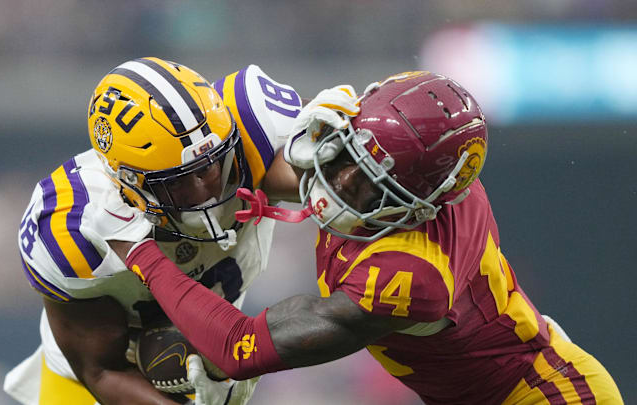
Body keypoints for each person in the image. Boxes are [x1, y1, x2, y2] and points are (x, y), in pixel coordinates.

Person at [107, 71, 624, 404]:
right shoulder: (397, 152)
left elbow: (243, 347)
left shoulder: (413, 273)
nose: (342, 184)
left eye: (373, 187)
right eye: (351, 156)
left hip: (545, 396)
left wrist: (140, 252)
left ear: (421, 205)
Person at [4, 56, 304, 405]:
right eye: (177, 182)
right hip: (90, 386)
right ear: (129, 183)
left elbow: (343, 159)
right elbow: (101, 371)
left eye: (209, 166)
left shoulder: (251, 124)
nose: (205, 190)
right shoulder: (74, 224)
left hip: (212, 351)